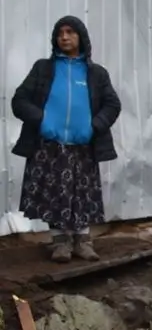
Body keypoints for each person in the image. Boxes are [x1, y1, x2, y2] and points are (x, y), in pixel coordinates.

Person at [12, 15, 121, 263]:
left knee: (81, 194)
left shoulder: (96, 73)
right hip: (49, 144)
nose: (65, 37)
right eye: (60, 33)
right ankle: (60, 241)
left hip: (83, 144)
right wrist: (42, 120)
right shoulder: (44, 68)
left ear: (81, 37)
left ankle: (83, 241)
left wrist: (94, 126)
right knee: (54, 193)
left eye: (70, 32)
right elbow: (19, 101)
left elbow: (112, 104)